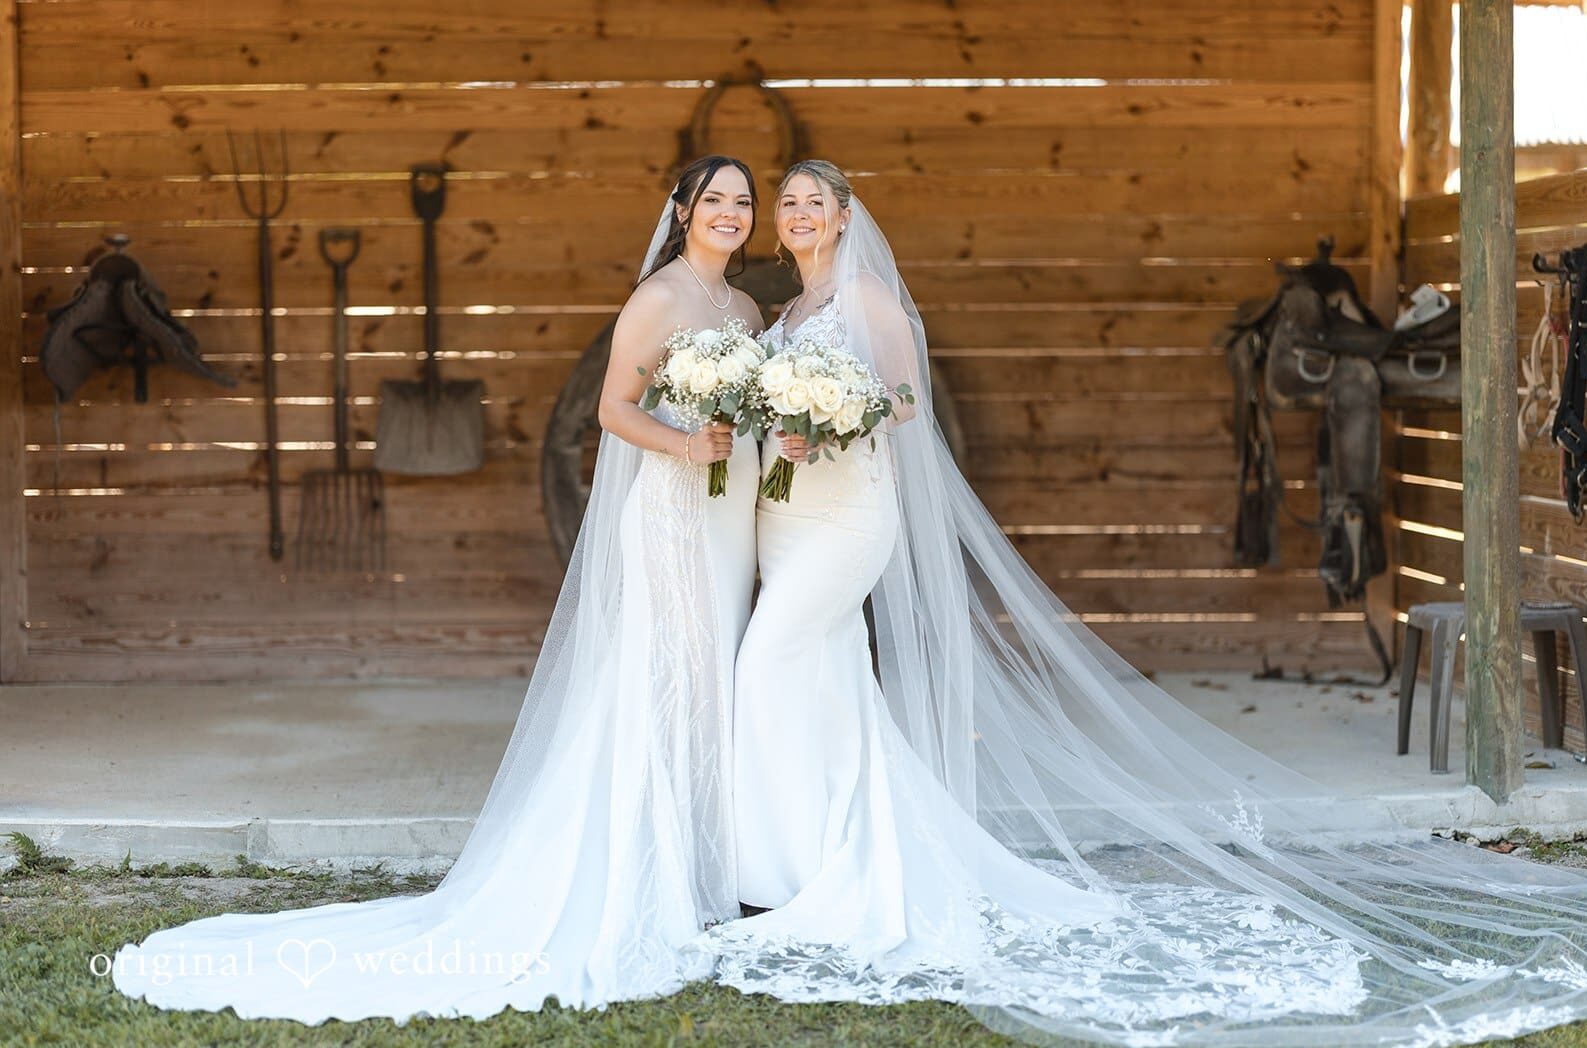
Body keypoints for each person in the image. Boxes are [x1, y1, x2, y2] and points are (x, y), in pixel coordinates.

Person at [699, 159, 1587, 1048]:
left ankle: (774, 873)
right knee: (825, 685)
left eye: (817, 202)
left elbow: (903, 405)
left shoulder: (872, 305)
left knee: (765, 663)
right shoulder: (785, 315)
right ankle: (817, 863)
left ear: (848, 218)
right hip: (786, 520)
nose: (800, 213)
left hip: (846, 519)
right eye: (789, 204)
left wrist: (828, 420)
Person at [109, 155, 764, 1024]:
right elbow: (613, 410)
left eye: (742, 201)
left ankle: (707, 867)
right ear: (680, 212)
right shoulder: (658, 299)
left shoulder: (748, 310)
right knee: (663, 680)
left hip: (726, 521)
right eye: (712, 199)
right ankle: (646, 873)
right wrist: (687, 448)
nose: (730, 213)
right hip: (675, 515)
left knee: (711, 678)